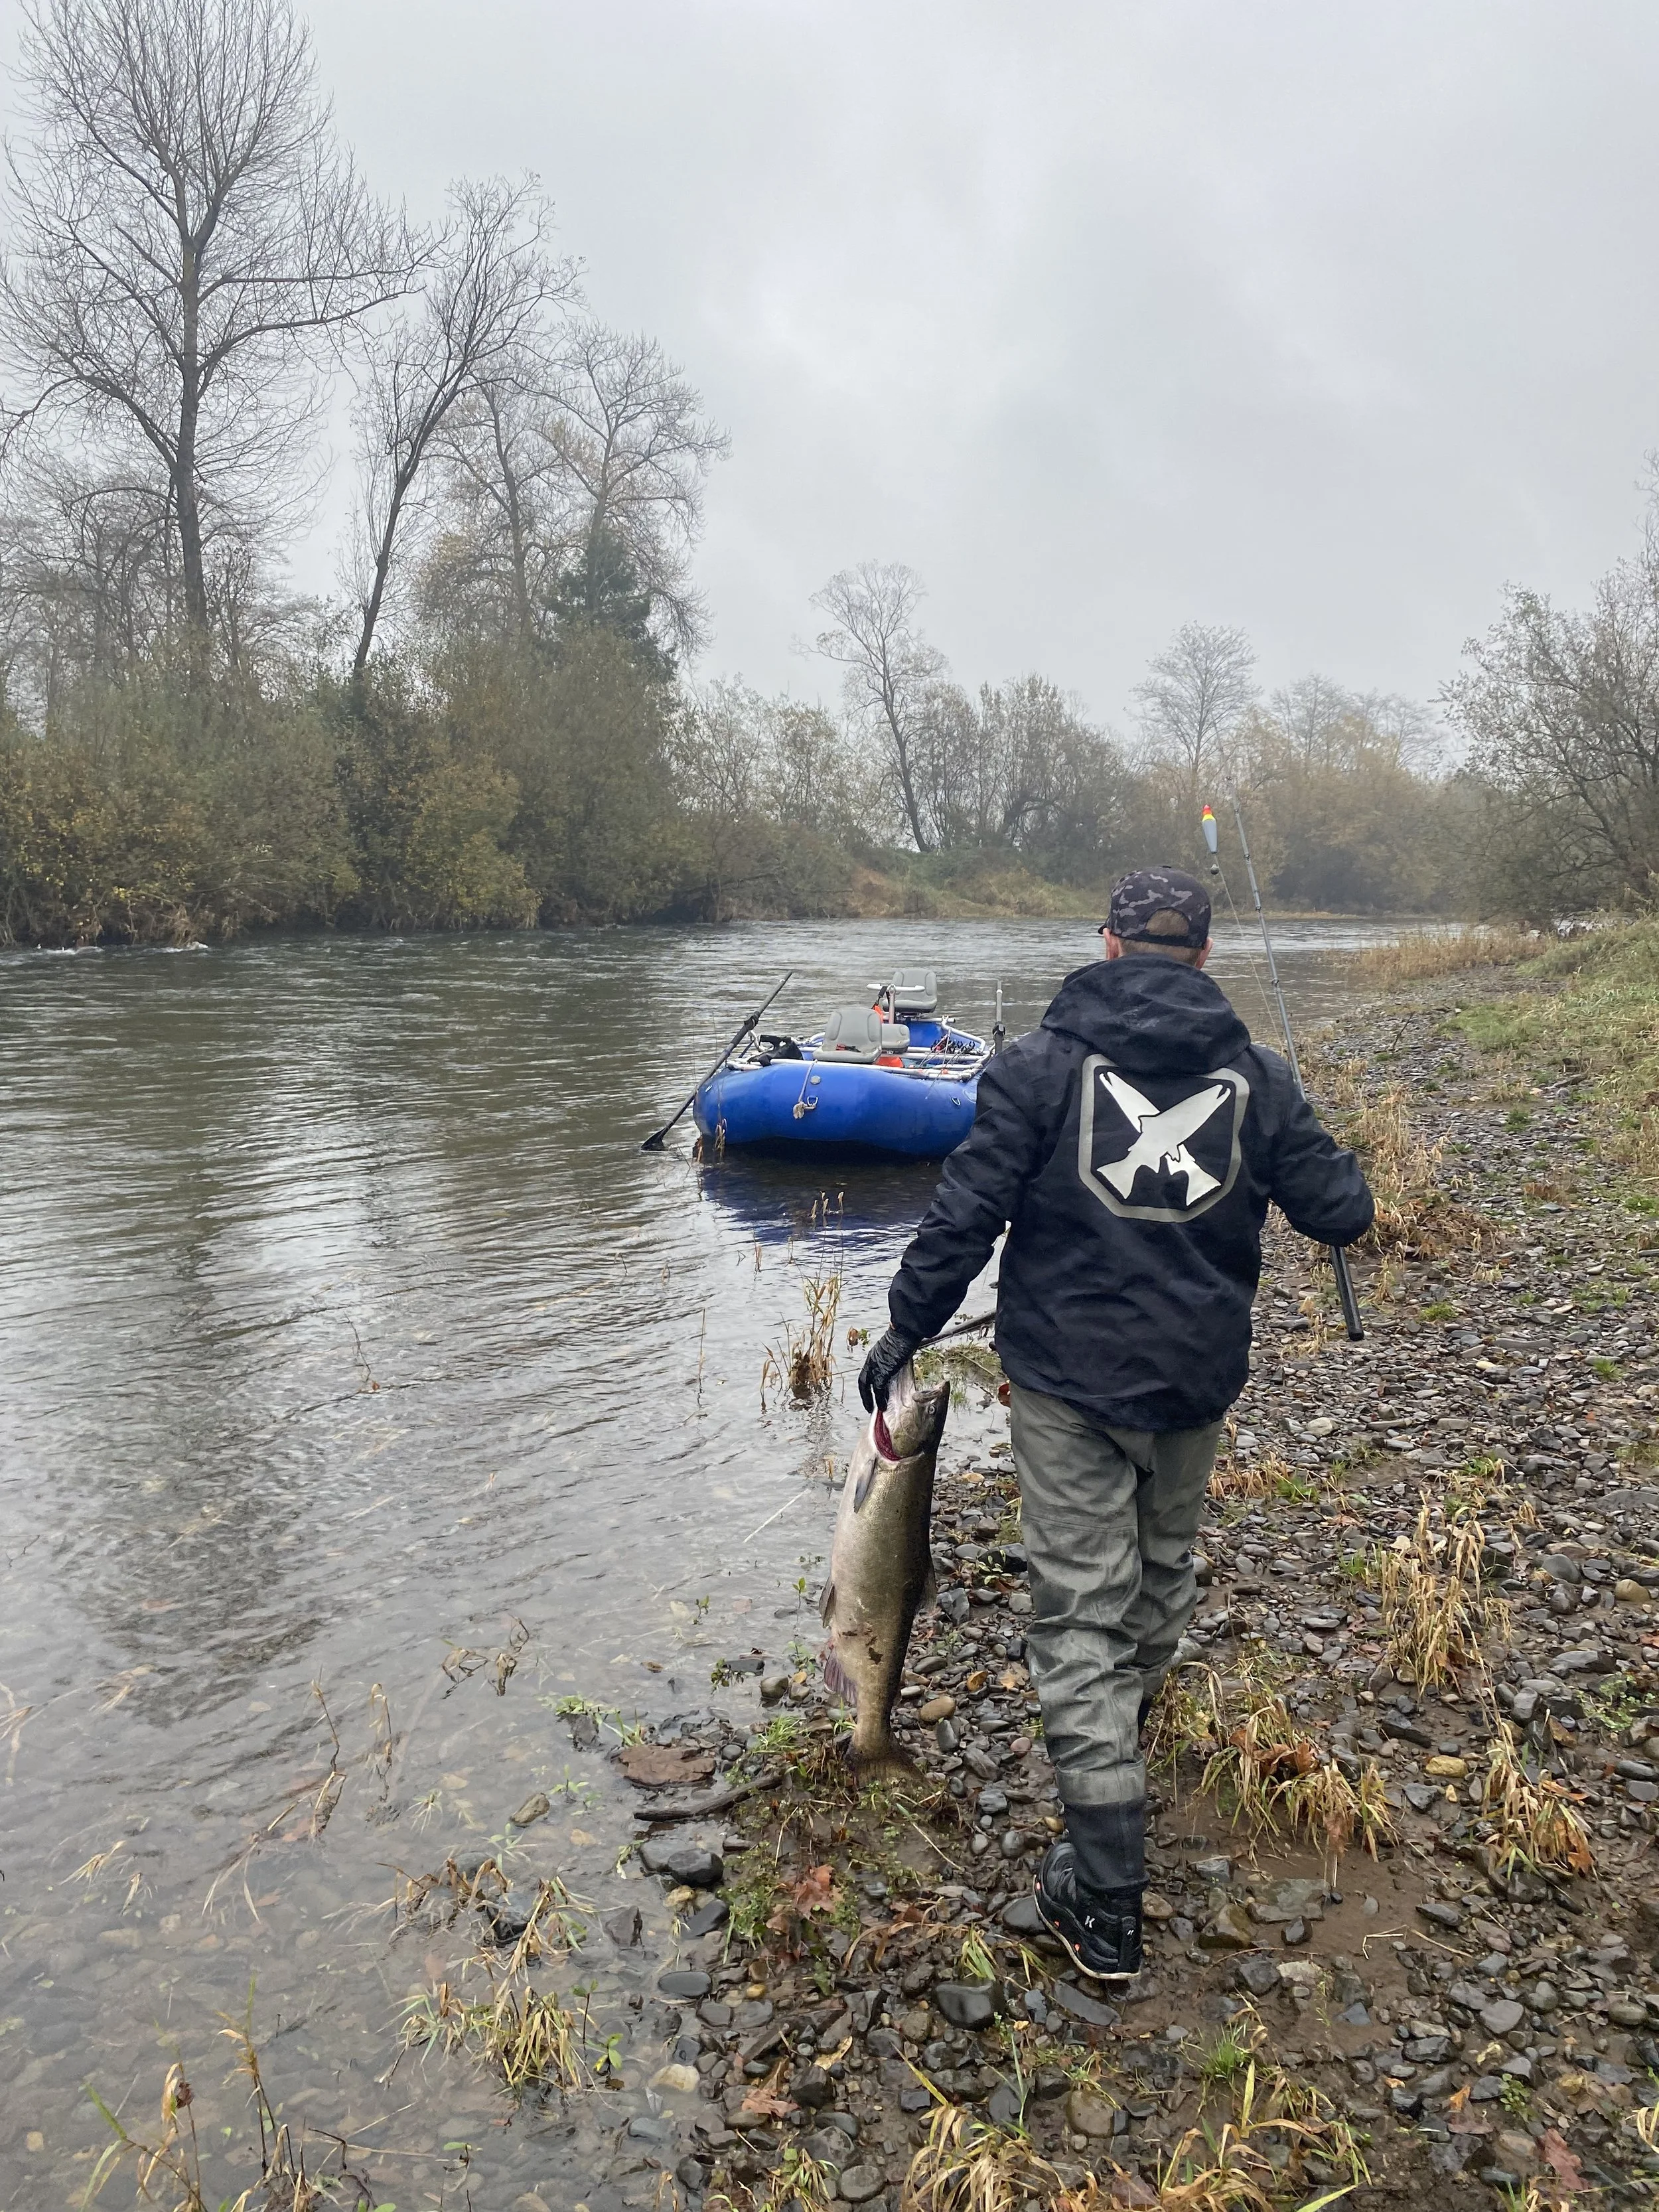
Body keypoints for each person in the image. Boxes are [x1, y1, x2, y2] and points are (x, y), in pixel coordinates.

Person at [857, 867, 1374, 1982]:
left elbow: (965, 1217)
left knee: (1080, 1618)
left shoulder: (1037, 1067)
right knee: (1160, 1576)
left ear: (1106, 944)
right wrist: (1316, 1142)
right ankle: (1114, 1775)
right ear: (1201, 957)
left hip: (1068, 1385)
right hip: (1195, 1382)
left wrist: (904, 1329)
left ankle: (1103, 1899)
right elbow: (1343, 1212)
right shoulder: (1261, 1076)